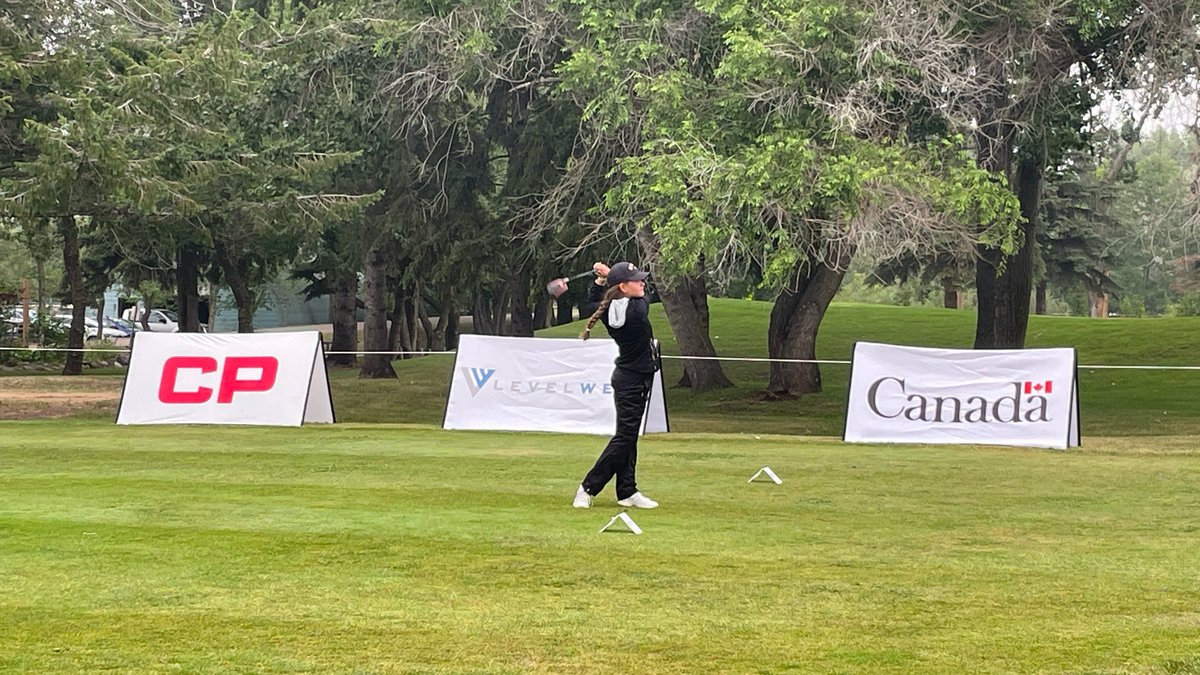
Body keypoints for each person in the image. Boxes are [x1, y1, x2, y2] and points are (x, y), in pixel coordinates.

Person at [572, 261, 661, 509]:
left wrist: (601, 280)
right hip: (632, 380)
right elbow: (647, 296)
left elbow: (593, 302)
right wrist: (609, 273)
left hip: (630, 376)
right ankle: (588, 487)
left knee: (629, 436)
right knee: (624, 438)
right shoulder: (636, 310)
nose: (642, 283)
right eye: (636, 280)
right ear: (622, 287)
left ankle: (627, 491)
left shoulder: (607, 307)